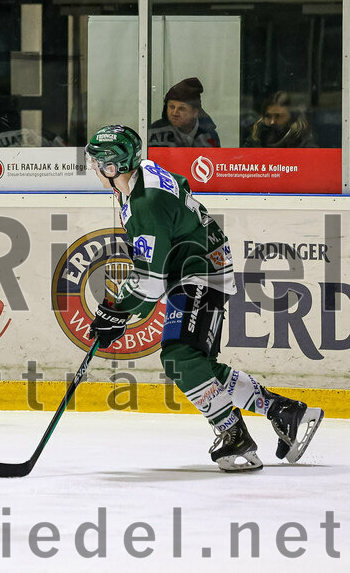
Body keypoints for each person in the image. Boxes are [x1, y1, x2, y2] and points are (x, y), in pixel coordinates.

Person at [84, 125, 323, 472]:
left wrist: (117, 311)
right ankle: (284, 411)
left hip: (199, 272)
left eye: (98, 162)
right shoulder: (136, 183)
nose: (94, 168)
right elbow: (152, 268)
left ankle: (233, 434)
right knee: (199, 366)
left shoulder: (145, 202)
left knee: (179, 358)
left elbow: (150, 282)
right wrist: (120, 314)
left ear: (113, 167)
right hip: (190, 269)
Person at [147, 77, 221, 148]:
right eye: (171, 107)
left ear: (195, 112)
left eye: (181, 108)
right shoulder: (155, 131)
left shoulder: (208, 134)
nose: (174, 113)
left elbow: (214, 160)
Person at [244, 91, 317, 148]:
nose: (272, 122)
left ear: (291, 117)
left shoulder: (302, 138)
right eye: (268, 116)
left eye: (278, 116)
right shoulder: (256, 136)